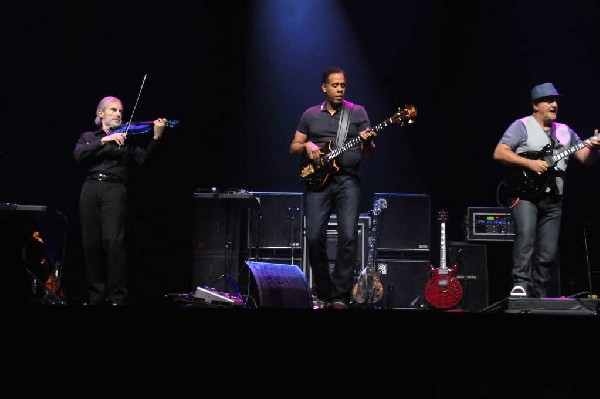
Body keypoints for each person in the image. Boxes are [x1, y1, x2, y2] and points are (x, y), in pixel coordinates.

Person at [493, 82, 600, 298]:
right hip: (525, 195)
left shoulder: (565, 131)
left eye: (556, 101)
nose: (554, 104)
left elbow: (585, 160)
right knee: (526, 238)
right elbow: (500, 153)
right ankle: (520, 284)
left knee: (549, 251)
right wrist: (530, 164)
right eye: (549, 101)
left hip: (554, 199)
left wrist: (595, 149)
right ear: (535, 105)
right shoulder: (521, 126)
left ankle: (538, 291)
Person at [289, 66, 376, 309]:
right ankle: (324, 293)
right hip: (317, 183)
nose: (339, 89)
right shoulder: (310, 115)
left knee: (348, 236)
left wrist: (368, 143)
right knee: (315, 236)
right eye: (335, 85)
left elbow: (368, 152)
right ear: (324, 87)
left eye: (343, 85)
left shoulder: (357, 112)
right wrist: (307, 145)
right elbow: (292, 147)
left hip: (348, 181)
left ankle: (340, 296)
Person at [73, 96, 168, 305]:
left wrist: (156, 138)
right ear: (101, 114)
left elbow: (143, 161)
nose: (118, 114)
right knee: (91, 244)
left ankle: (117, 297)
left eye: (120, 112)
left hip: (114, 190)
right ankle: (94, 296)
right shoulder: (89, 136)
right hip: (90, 189)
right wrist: (103, 141)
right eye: (113, 110)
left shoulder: (127, 139)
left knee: (113, 243)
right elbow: (79, 156)